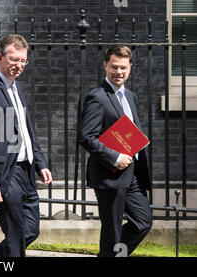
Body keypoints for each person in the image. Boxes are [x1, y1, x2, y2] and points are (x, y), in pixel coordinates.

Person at [0, 34, 53, 257]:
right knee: (16, 236)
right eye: (14, 59)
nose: (19, 65)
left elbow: (27, 131)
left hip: (26, 172)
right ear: (0, 57)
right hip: (6, 175)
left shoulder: (16, 88)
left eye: (23, 61)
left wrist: (40, 163)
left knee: (30, 231)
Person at [80, 45, 153, 257]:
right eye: (114, 67)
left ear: (130, 68)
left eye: (123, 67)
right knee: (112, 231)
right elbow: (86, 137)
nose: (118, 72)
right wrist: (114, 157)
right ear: (105, 66)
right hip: (109, 175)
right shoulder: (97, 97)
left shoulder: (131, 96)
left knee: (143, 222)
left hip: (133, 174)